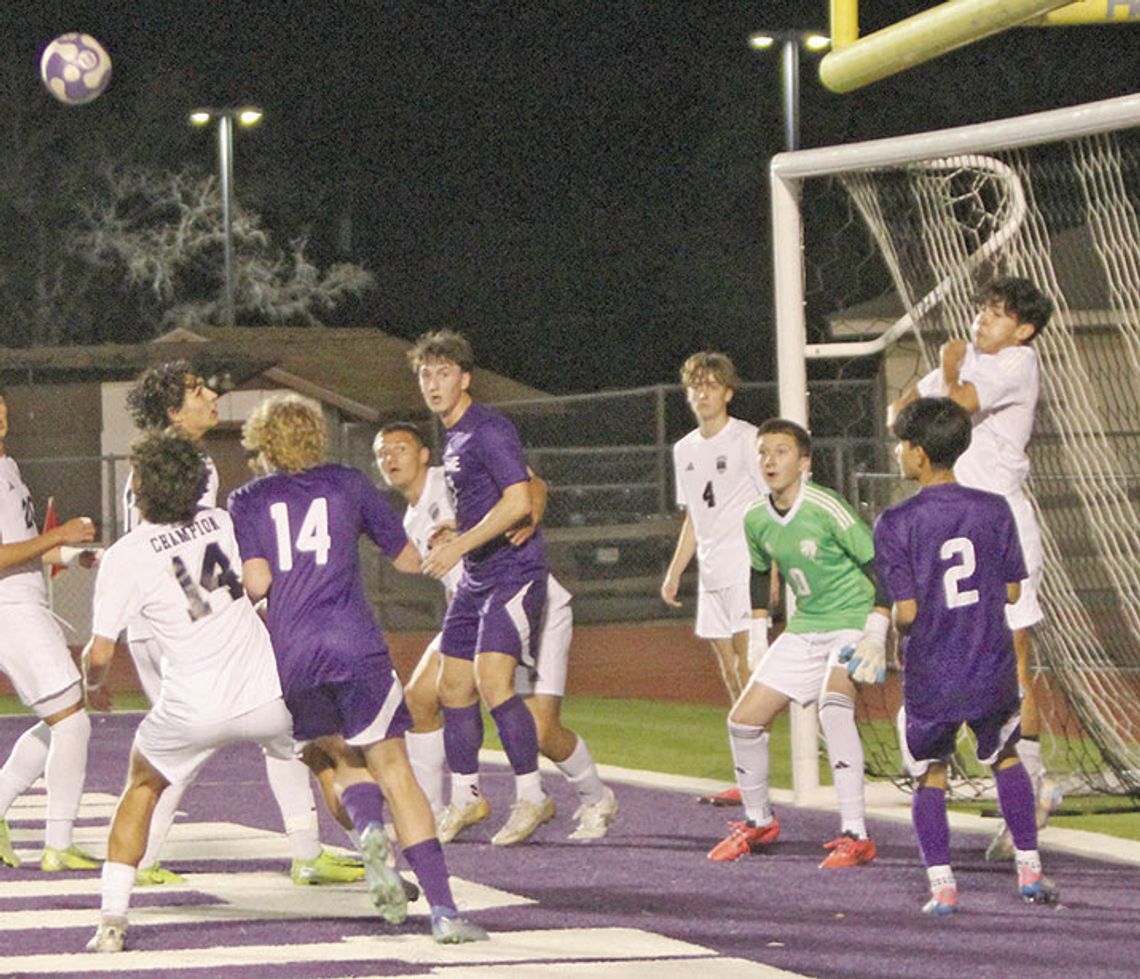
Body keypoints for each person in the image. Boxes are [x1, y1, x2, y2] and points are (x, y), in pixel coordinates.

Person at [81, 431, 356, 953]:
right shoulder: (227, 522)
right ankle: (379, 858)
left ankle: (112, 920)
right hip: (267, 695)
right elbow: (266, 585)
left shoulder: (126, 555)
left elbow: (98, 655)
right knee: (326, 760)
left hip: (193, 707)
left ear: (137, 487)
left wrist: (95, 685)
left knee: (141, 787)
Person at [229, 394, 486, 944]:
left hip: (294, 650)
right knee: (395, 768)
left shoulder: (247, 498)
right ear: (315, 437)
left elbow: (256, 584)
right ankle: (443, 910)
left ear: (263, 442)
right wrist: (449, 538)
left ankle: (369, 828)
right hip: (354, 641)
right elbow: (409, 559)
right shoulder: (349, 484)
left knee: (333, 756)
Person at [121, 361, 358, 888]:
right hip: (184, 623)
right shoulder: (187, 467)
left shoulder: (158, 462)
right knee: (193, 743)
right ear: (172, 410)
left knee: (281, 733)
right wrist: (239, 609)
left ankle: (306, 853)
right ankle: (143, 860)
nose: (211, 396)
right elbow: (189, 555)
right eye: (196, 391)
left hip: (167, 619)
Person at [374, 422, 617, 842]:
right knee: (420, 698)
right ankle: (433, 810)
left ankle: (596, 798)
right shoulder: (412, 518)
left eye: (400, 448)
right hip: (477, 606)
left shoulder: (450, 474)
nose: (391, 458)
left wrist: (533, 507)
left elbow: (532, 484)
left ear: (425, 455)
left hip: (533, 602)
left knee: (539, 731)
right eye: (382, 452)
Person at [889, 276, 1059, 860]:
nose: (984, 320)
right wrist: (933, 380)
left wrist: (946, 367)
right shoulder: (963, 364)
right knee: (942, 651)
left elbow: (954, 403)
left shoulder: (1017, 361)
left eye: (998, 313)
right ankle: (949, 772)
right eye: (983, 309)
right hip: (946, 525)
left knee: (1010, 658)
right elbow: (901, 418)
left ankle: (1028, 797)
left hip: (997, 522)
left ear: (1025, 327)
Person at [874, 397, 1058, 913]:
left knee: (930, 772)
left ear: (917, 454)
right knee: (1005, 759)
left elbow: (906, 611)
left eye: (901, 445)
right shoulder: (994, 508)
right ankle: (1029, 872)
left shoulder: (896, 522)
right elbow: (1015, 593)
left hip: (933, 669)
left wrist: (889, 628)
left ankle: (943, 887)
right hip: (990, 663)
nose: (898, 453)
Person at [707, 418, 888, 869]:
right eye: (764, 452)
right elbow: (756, 570)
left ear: (804, 462)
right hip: (805, 626)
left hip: (851, 621)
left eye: (782, 451)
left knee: (833, 706)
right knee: (743, 721)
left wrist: (877, 630)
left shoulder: (827, 506)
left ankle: (856, 834)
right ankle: (758, 821)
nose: (770, 460)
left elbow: (879, 564)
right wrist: (756, 632)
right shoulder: (755, 518)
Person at [409, 329, 553, 846]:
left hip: (513, 573)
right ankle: (467, 796)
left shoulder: (487, 428)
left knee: (495, 684)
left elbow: (520, 496)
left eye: (444, 373)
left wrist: (460, 543)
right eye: (426, 373)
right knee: (452, 688)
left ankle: (533, 796)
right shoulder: (456, 436)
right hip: (477, 575)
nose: (433, 382)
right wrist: (457, 529)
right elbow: (507, 494)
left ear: (465, 379)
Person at [0, 388, 100, 872]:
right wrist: (60, 534)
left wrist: (71, 553)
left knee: (62, 717)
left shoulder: (9, 467)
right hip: (9, 608)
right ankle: (58, 843)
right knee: (72, 720)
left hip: (24, 602)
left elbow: (24, 546)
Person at [661, 352, 766, 807]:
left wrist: (772, 571)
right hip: (710, 573)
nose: (702, 393)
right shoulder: (683, 449)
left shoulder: (747, 439)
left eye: (711, 385)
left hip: (744, 566)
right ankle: (746, 778)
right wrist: (675, 572)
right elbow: (693, 518)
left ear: (727, 392)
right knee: (730, 673)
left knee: (749, 670)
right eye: (695, 386)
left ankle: (759, 782)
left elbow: (769, 507)